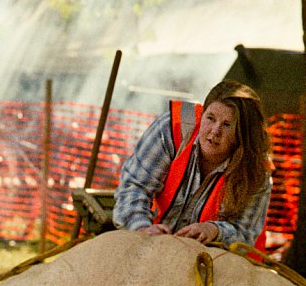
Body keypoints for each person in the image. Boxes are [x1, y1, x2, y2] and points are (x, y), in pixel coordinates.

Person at [112, 80, 272, 247]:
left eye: (226, 125)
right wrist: (143, 229)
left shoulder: (257, 171)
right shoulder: (171, 128)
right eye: (210, 118)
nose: (215, 131)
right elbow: (134, 187)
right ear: (202, 114)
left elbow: (244, 232)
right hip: (152, 240)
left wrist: (214, 231)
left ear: (242, 134)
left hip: (212, 257)